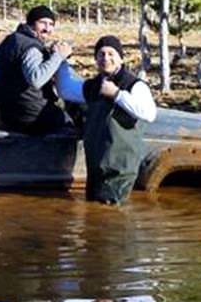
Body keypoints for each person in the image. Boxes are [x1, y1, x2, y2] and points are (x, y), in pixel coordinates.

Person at [57, 36, 157, 204]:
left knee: (112, 217)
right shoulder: (93, 85)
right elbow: (66, 89)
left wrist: (117, 95)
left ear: (121, 58)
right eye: (101, 54)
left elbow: (149, 113)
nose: (106, 59)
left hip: (120, 167)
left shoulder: (134, 85)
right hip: (96, 165)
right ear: (96, 59)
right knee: (97, 216)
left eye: (111, 54)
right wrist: (60, 60)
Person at [0, 5, 74, 135]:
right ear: (31, 24)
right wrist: (59, 56)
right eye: (42, 23)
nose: (47, 28)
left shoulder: (11, 40)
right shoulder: (30, 47)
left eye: (51, 24)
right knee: (70, 126)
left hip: (9, 112)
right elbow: (36, 79)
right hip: (32, 114)